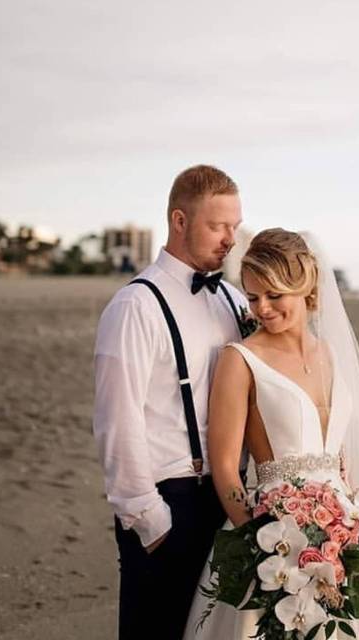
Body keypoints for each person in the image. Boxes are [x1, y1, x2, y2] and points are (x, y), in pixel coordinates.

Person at [183, 228, 359, 639]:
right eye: (253, 296)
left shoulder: (330, 353)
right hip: (272, 542)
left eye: (274, 295)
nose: (262, 308)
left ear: (306, 287)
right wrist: (259, 544)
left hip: (343, 540)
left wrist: (348, 531)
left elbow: (341, 461)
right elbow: (225, 469)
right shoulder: (240, 359)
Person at [92, 164, 251, 640]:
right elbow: (116, 422)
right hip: (169, 506)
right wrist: (151, 520)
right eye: (217, 226)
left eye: (235, 226)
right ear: (179, 221)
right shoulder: (135, 307)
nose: (229, 239)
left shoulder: (233, 300)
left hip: (229, 502)